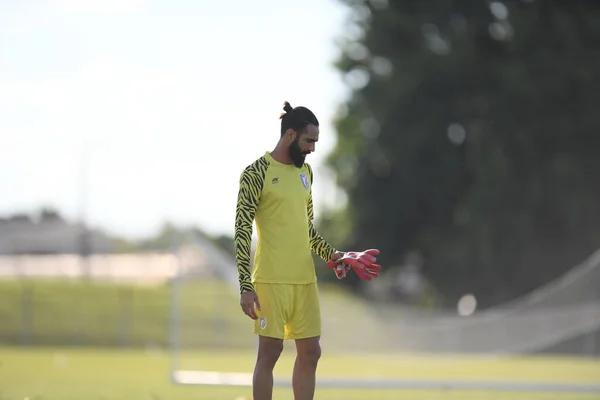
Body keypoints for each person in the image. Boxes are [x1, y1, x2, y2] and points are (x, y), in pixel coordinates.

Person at [234, 101, 380, 400]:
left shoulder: (306, 174)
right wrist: (246, 286)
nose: (313, 148)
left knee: (312, 352)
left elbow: (307, 229)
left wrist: (336, 256)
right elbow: (241, 229)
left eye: (315, 141)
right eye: (309, 140)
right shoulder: (256, 173)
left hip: (305, 280)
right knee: (270, 354)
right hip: (271, 281)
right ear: (290, 135)